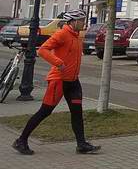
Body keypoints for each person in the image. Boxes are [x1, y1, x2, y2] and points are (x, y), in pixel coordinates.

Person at [11, 9, 100, 155]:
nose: (84, 23)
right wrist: (58, 62)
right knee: (45, 111)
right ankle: (21, 140)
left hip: (73, 81)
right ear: (73, 22)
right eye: (82, 20)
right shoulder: (62, 34)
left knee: (77, 112)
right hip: (58, 80)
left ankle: (81, 144)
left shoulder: (77, 36)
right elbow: (43, 50)